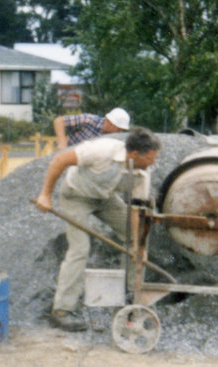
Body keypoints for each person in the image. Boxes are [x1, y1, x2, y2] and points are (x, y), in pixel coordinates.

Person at [35, 126, 160, 331]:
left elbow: (136, 211)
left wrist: (138, 245)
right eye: (150, 158)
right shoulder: (102, 150)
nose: (154, 162)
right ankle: (61, 311)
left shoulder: (142, 173)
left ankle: (131, 296)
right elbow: (59, 160)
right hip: (76, 196)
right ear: (135, 154)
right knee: (80, 249)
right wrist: (45, 195)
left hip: (105, 198)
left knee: (135, 238)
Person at [53, 107, 130, 150]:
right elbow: (59, 121)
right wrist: (62, 143)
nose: (121, 132)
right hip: (68, 157)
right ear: (110, 123)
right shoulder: (89, 120)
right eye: (119, 129)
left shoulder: (113, 139)